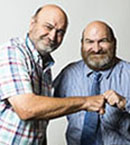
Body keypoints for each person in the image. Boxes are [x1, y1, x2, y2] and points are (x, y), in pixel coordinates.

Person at [0, 5, 106, 145]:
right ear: (32, 23)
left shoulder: (45, 67)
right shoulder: (12, 51)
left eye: (60, 32)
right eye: (48, 27)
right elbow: (27, 109)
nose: (53, 36)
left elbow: (39, 123)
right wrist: (86, 102)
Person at [54, 20, 129, 145]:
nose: (96, 49)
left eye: (103, 41)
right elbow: (46, 106)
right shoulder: (69, 73)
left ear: (114, 43)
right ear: (82, 44)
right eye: (90, 42)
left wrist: (125, 103)